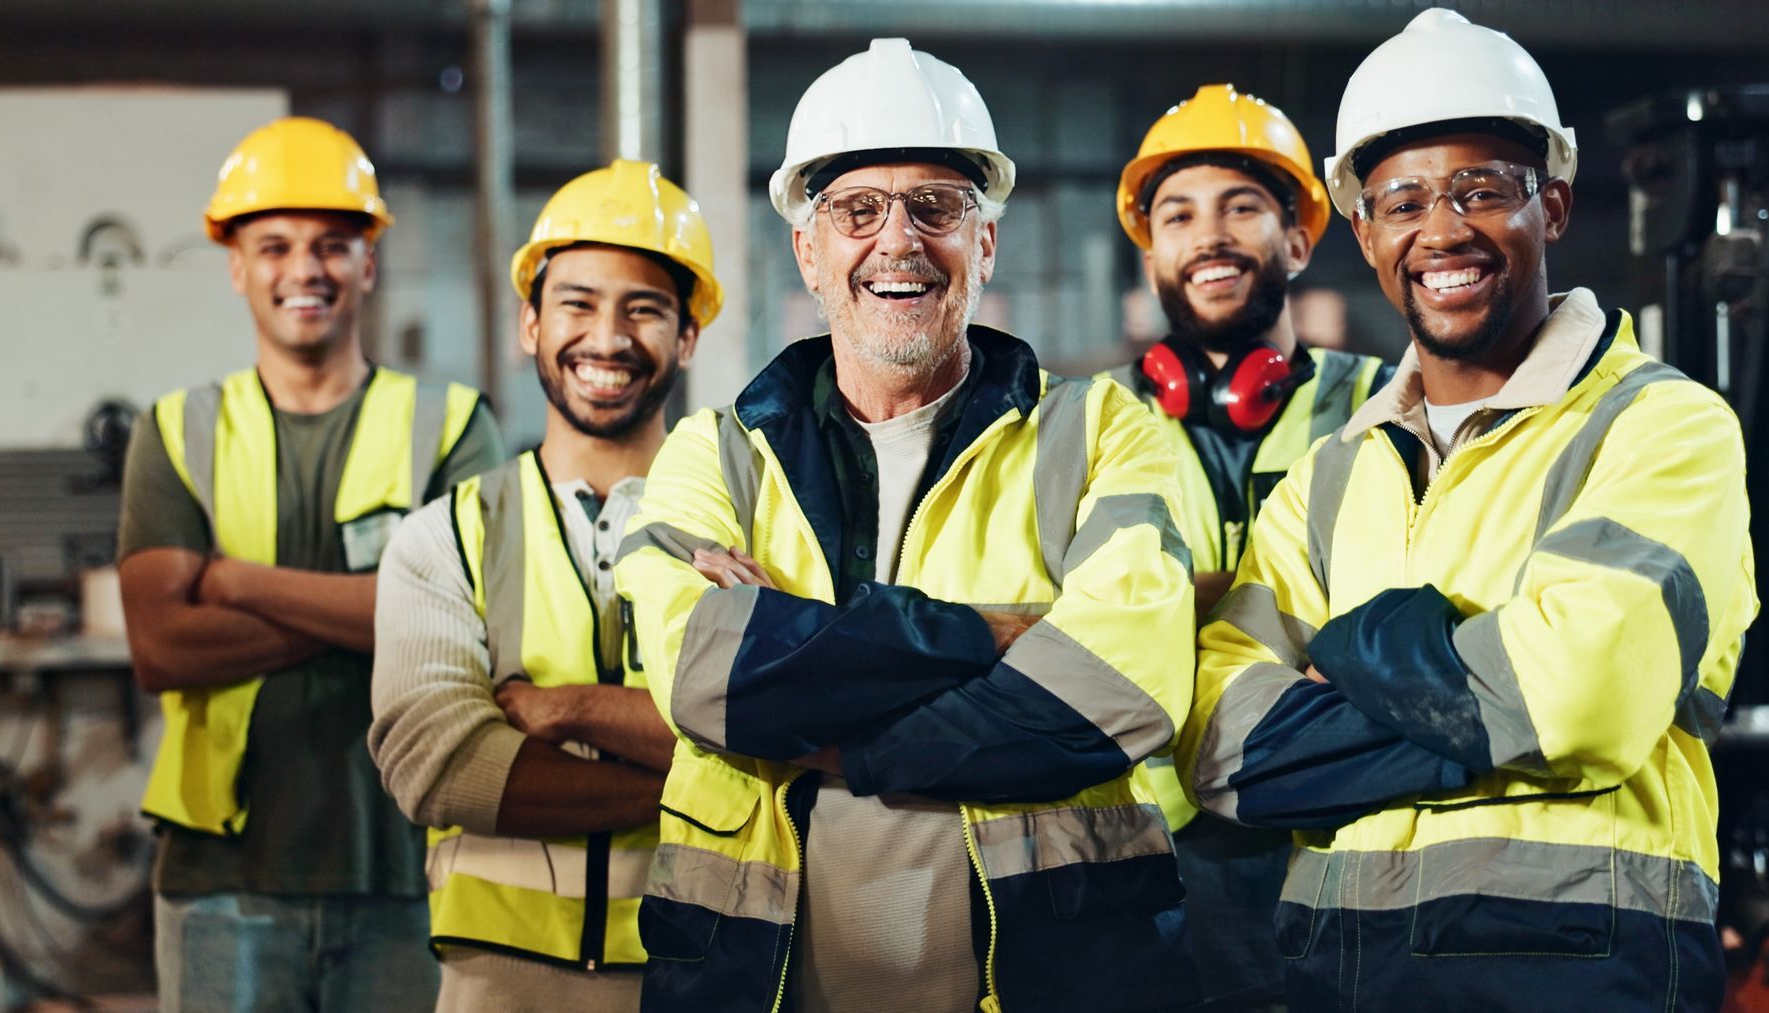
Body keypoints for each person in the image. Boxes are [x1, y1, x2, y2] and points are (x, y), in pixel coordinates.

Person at [1179, 11, 1756, 1011]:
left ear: (1556, 205)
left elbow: (1581, 695)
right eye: (1402, 200)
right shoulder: (1328, 477)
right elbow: (1222, 749)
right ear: (1364, 233)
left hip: (1580, 963)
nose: (1442, 229)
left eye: (1482, 190)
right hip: (1339, 969)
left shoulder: (1660, 426)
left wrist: (1357, 641)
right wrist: (1488, 698)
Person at [616, 38, 1198, 1013]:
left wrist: (817, 709)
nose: (898, 241)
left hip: (1054, 982)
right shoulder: (714, 455)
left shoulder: (1100, 434)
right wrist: (995, 634)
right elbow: (702, 673)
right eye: (857, 209)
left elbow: (1118, 691)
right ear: (808, 249)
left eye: (936, 206)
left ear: (985, 243)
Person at [118, 116, 504, 1011]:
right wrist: (382, 612)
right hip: (221, 876)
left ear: (368, 263)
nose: (306, 269)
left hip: (409, 872)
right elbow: (164, 647)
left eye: (334, 245)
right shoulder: (176, 430)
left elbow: (472, 626)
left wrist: (237, 581)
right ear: (238, 266)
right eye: (276, 245)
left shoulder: (450, 425)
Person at [367, 159, 717, 1011]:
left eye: (644, 309)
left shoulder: (744, 526)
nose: (607, 338)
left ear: (687, 337)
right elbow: (440, 766)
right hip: (498, 982)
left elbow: (787, 733)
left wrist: (561, 711)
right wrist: (702, 784)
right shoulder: (444, 536)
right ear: (530, 322)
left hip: (705, 969)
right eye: (577, 303)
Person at [1107, 86, 1389, 1011]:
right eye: (1178, 215)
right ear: (1151, 254)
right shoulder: (1089, 426)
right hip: (1144, 847)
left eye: (1242, 208)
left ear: (1298, 241)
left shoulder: (1384, 407)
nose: (1210, 236)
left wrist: (1172, 598)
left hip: (1336, 836)